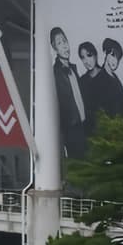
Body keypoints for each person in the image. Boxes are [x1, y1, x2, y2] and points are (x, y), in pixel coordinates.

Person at [50, 27, 87, 158]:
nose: (65, 46)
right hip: (71, 130)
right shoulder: (55, 73)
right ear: (54, 48)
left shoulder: (74, 68)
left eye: (65, 41)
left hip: (84, 126)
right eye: (59, 43)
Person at [99, 38, 123, 117]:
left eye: (118, 58)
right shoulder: (100, 78)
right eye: (113, 55)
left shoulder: (115, 77)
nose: (115, 61)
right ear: (105, 53)